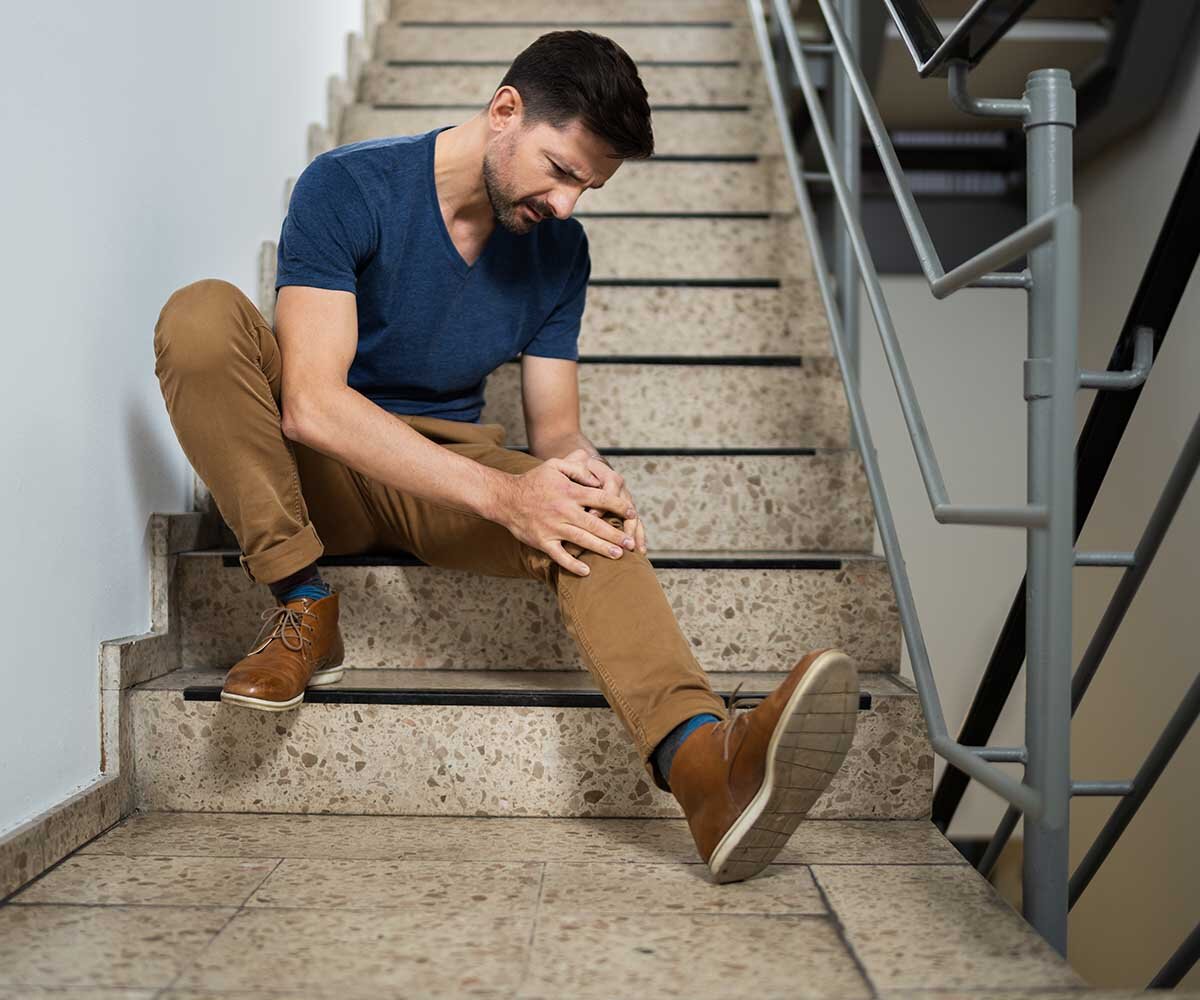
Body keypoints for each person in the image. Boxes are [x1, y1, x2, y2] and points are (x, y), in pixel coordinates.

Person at [152, 29, 860, 884]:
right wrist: (503, 497)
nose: (566, 203)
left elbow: (554, 432)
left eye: (587, 187)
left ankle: (706, 773)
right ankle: (303, 603)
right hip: (321, 471)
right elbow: (311, 403)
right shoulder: (349, 185)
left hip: (445, 472)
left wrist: (588, 476)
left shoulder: (559, 249)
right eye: (560, 171)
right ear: (505, 111)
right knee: (200, 315)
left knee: (586, 516)